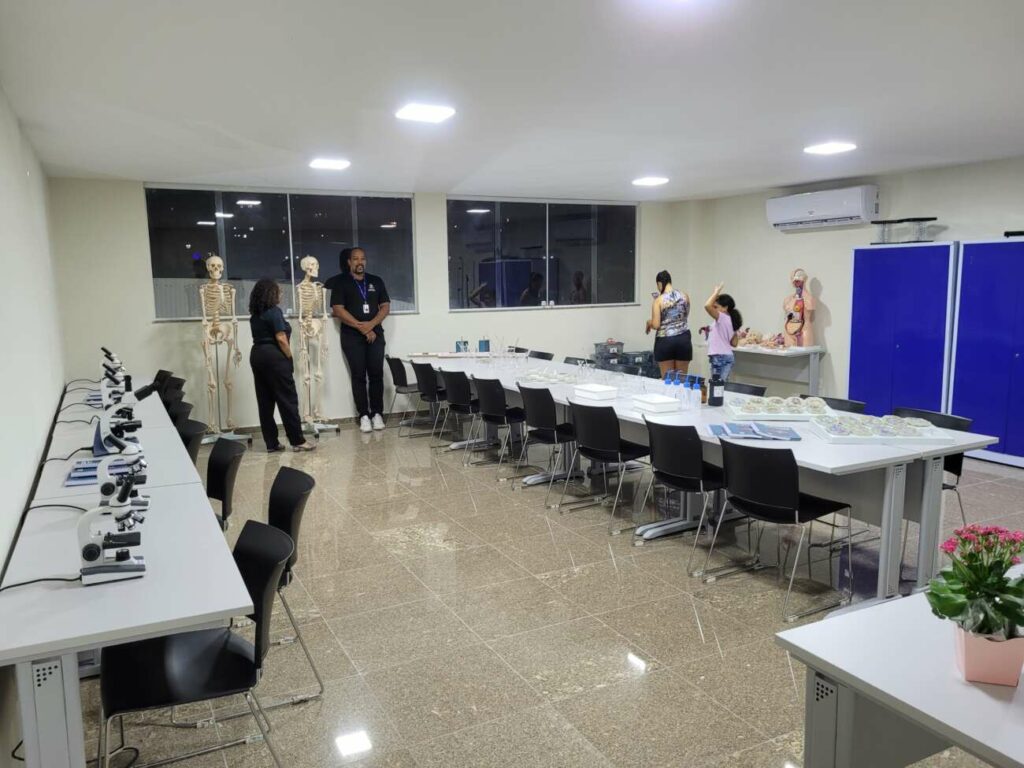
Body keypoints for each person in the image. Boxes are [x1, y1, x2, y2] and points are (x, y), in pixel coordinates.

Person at [248, 278, 313, 452]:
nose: (281, 294)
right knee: (287, 399)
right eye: (279, 291)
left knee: (265, 401)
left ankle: (272, 443)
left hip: (257, 355)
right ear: (271, 293)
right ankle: (298, 441)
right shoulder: (274, 311)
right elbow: (281, 338)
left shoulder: (255, 314)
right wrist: (289, 357)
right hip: (274, 357)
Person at [331, 247, 390, 432]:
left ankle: (377, 413)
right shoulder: (341, 282)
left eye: (362, 259)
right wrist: (361, 327)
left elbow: (385, 307)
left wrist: (370, 325)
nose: (360, 262)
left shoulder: (376, 281)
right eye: (355, 259)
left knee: (376, 374)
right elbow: (338, 309)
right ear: (349, 262)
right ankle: (363, 415)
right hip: (352, 336)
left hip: (375, 334)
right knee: (358, 376)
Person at [646, 270, 691, 376]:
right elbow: (685, 315)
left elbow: (656, 324)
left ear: (659, 284)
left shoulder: (658, 300)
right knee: (681, 378)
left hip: (665, 340)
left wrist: (649, 322)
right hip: (683, 338)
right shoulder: (685, 296)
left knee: (668, 379)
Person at [704, 282, 743, 382]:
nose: (714, 309)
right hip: (727, 356)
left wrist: (716, 292)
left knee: (716, 387)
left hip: (719, 356)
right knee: (722, 386)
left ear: (725, 308)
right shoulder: (732, 320)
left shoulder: (722, 317)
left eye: (716, 307)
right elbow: (734, 343)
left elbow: (707, 306)